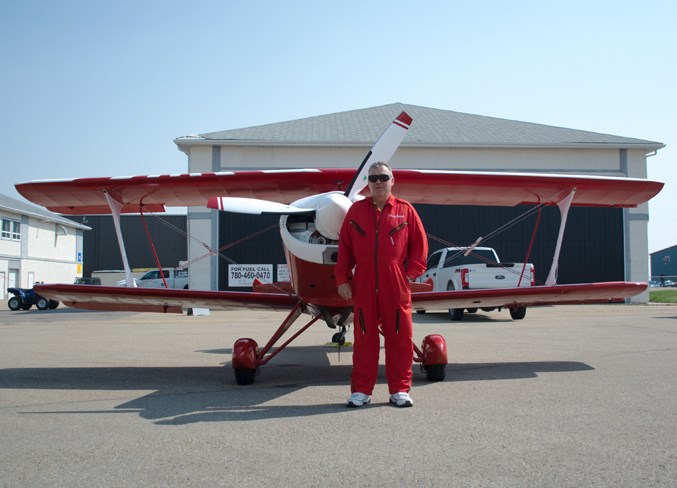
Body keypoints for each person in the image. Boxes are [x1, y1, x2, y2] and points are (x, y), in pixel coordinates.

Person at [335, 161, 428, 408]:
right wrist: (343, 279)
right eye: (373, 178)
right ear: (368, 182)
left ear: (392, 181)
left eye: (383, 177)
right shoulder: (356, 212)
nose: (378, 182)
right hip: (363, 281)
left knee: (400, 336)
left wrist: (408, 274)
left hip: (395, 282)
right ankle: (361, 391)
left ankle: (399, 390)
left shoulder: (406, 211)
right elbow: (344, 247)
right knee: (364, 337)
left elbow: (420, 246)